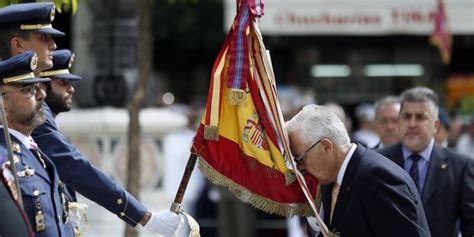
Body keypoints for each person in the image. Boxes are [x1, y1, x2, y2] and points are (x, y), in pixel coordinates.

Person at [0, 3, 181, 235]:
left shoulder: (33, 109)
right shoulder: (13, 102)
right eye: (43, 37)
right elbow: (73, 164)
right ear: (18, 44)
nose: (53, 45)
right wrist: (144, 217)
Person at [286, 104, 430, 237]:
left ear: (326, 147)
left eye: (301, 159)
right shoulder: (329, 179)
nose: (300, 167)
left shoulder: (377, 177)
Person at [377, 87, 474, 237]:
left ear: (436, 125)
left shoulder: (460, 166)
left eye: (420, 117)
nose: (412, 124)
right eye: (406, 117)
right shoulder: (378, 161)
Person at [0, 51, 74, 236]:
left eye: (38, 87)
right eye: (28, 90)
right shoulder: (4, 158)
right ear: (4, 104)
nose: (41, 94)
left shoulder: (38, 154)